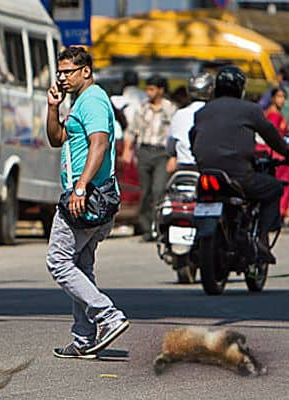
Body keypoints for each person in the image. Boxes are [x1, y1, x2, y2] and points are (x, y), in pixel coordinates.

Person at [45, 46, 129, 359]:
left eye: (68, 72)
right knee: (81, 265)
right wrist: (53, 108)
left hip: (87, 197)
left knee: (58, 262)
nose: (63, 78)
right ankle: (83, 339)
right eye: (60, 72)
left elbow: (100, 142)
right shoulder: (79, 102)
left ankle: (109, 317)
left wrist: (80, 187)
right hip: (88, 195)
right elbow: (57, 139)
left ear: (86, 72)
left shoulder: (93, 99)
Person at [190, 65, 289, 263]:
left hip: (206, 173)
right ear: (241, 88)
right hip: (239, 177)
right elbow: (271, 135)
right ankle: (262, 240)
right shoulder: (251, 110)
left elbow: (193, 137)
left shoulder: (203, 112)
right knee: (274, 187)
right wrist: (288, 155)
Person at [123, 74, 177, 241]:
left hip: (162, 154)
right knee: (145, 191)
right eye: (147, 89)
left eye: (152, 89)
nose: (149, 92)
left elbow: (176, 135)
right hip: (145, 152)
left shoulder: (171, 109)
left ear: (161, 90)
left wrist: (173, 157)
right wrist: (127, 149)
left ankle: (159, 226)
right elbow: (132, 130)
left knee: (159, 189)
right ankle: (147, 228)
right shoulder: (143, 108)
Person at [259, 64, 289, 228]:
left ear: (281, 76)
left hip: (275, 143)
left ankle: (274, 211)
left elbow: (260, 107)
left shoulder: (274, 92)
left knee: (274, 174)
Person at [165, 71, 214, 173]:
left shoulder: (180, 114)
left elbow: (170, 143)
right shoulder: (216, 114)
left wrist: (173, 155)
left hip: (183, 167)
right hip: (206, 168)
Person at [262, 87, 289, 222]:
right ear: (273, 98)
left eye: (283, 97)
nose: (281, 100)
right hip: (276, 154)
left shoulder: (270, 114)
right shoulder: (274, 116)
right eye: (279, 97)